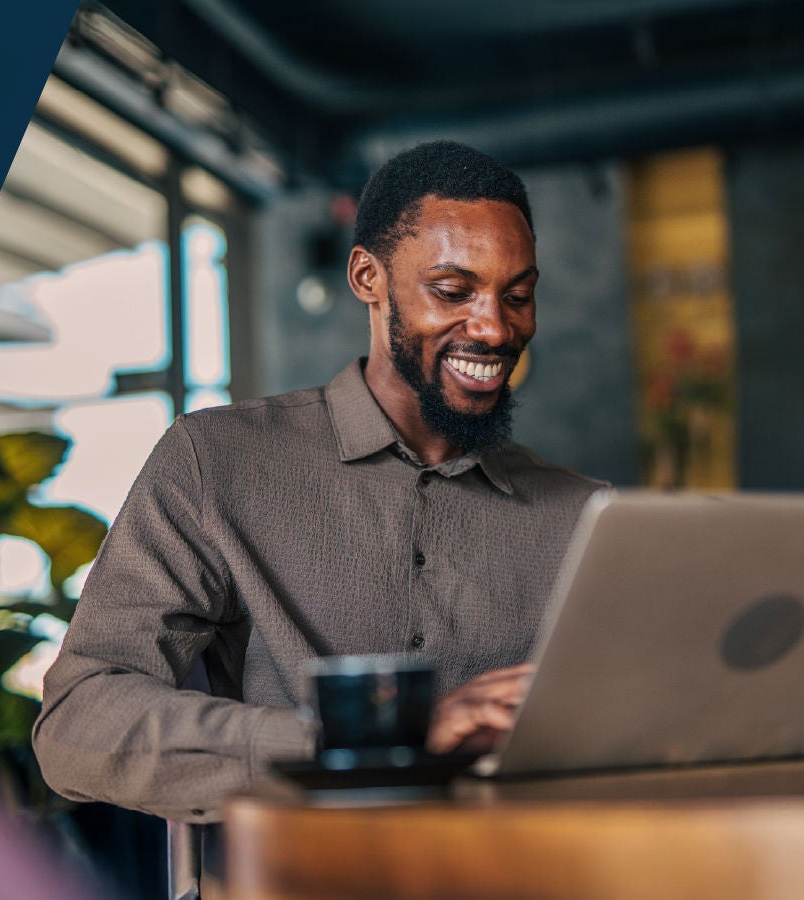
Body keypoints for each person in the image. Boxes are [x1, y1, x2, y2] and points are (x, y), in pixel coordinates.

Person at [33, 141, 606, 823]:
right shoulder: (217, 461)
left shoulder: (585, 516)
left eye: (518, 296)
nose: (494, 328)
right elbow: (77, 724)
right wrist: (357, 742)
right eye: (453, 291)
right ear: (368, 277)